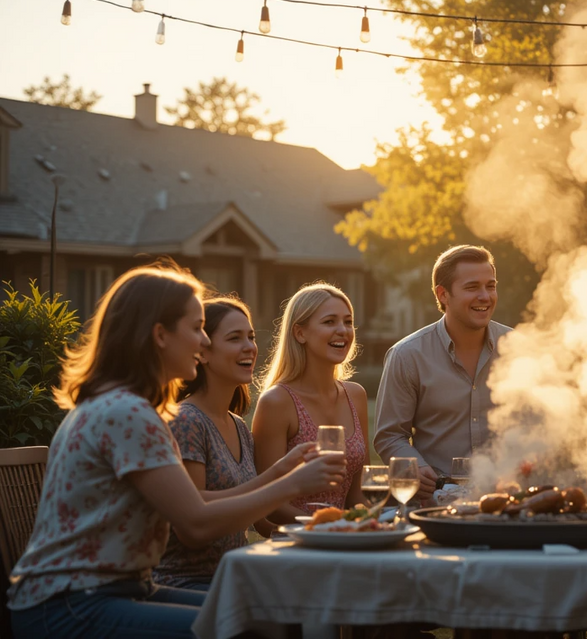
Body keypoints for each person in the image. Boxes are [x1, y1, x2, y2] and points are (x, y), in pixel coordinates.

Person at [7, 264, 346, 639]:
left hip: (119, 589)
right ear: (160, 335)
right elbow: (196, 525)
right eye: (197, 328)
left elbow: (195, 506)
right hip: (69, 604)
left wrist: (279, 473)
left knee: (271, 618)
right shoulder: (128, 414)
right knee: (249, 628)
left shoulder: (126, 406)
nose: (203, 343)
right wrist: (291, 485)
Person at [153, 296, 305, 590]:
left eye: (250, 336)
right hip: (187, 582)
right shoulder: (187, 421)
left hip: (233, 576)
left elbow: (260, 522)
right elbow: (194, 520)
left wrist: (319, 530)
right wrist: (286, 481)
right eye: (235, 338)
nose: (249, 347)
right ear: (203, 353)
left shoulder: (238, 425)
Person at [374, 245, 512, 502]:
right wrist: (414, 466)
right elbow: (390, 436)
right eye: (472, 287)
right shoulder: (407, 355)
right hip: (434, 502)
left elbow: (536, 424)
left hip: (507, 500)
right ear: (443, 294)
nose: (485, 296)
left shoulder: (517, 348)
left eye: (490, 286)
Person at [252, 282, 370, 516]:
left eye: (348, 322)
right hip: (294, 543)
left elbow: (357, 496)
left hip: (345, 539)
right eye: (329, 322)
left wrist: (371, 520)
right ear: (300, 333)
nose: (343, 330)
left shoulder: (355, 395)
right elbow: (266, 507)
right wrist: (322, 526)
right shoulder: (277, 402)